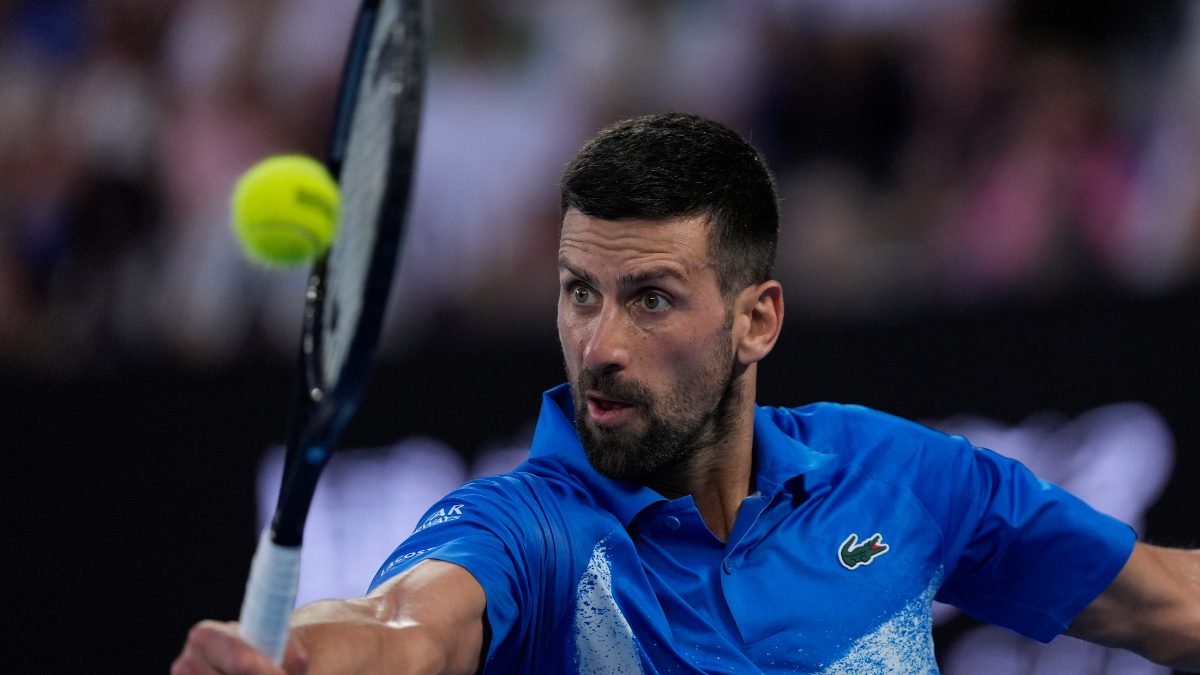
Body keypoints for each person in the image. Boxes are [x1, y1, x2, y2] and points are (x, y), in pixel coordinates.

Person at [172, 113, 1200, 674]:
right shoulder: (527, 532)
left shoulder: (895, 480)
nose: (600, 345)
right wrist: (304, 662)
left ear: (758, 319)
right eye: (581, 294)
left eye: (651, 299)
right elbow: (412, 626)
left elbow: (1166, 604)